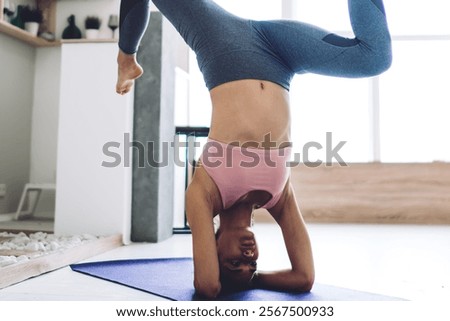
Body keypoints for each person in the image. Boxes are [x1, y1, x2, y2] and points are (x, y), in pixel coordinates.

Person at [116, 0, 392, 299]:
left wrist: (233, 280)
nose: (248, 256)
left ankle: (125, 58)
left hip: (222, 43)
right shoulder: (276, 197)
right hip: (280, 56)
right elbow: (304, 278)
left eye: (235, 261)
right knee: (373, 58)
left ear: (215, 242)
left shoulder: (204, 195)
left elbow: (207, 287)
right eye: (253, 262)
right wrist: (254, 279)